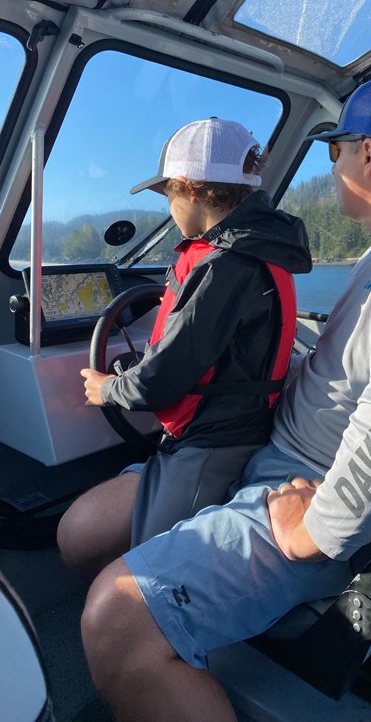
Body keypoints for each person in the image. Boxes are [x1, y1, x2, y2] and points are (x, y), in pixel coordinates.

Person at [78, 78, 371, 721]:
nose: (331, 168)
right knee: (83, 535)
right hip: (271, 453)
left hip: (300, 489)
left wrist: (318, 530)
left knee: (115, 616)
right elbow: (358, 375)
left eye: (335, 151)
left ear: (368, 154)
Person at [57, 117, 311, 575]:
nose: (170, 207)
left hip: (213, 445)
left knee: (149, 575)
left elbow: (160, 380)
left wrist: (106, 389)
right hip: (230, 428)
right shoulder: (257, 247)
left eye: (168, 194)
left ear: (192, 190)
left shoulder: (223, 267)